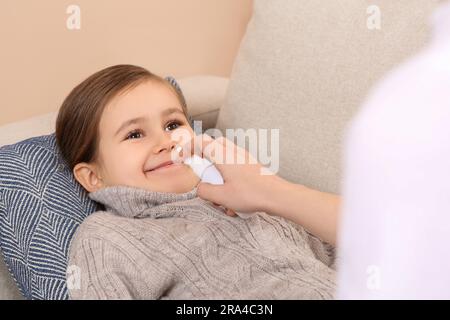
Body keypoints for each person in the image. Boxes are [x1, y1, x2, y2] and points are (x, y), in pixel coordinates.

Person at [56, 64, 336, 299]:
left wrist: (272, 194)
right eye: (134, 134)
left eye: (173, 125)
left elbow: (356, 247)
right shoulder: (108, 236)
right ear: (93, 177)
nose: (165, 142)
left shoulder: (250, 194)